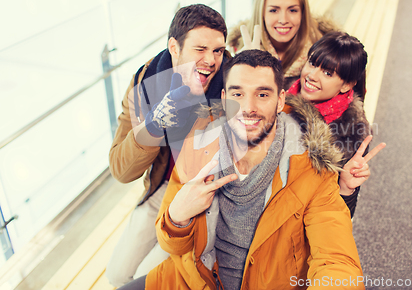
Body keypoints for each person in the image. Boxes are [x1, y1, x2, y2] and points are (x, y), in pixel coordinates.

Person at [118, 50, 365, 290]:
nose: (248, 108)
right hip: (193, 279)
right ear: (224, 99)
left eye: (262, 95)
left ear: (280, 101)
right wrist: (176, 218)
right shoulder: (198, 145)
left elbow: (337, 259)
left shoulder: (312, 167)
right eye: (238, 94)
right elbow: (171, 245)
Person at [106, 4, 229, 287]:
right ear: (174, 47)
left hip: (203, 198)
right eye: (200, 49)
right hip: (163, 186)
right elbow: (120, 170)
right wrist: (152, 126)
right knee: (115, 275)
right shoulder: (145, 82)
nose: (211, 61)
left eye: (218, 50)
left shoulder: (231, 82)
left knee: (147, 280)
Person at [285, 31, 386, 217]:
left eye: (327, 73)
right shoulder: (279, 90)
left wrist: (346, 189)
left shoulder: (354, 133)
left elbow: (339, 217)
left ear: (347, 85)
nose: (312, 75)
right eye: (312, 63)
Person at [228, 0, 339, 89]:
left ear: (303, 13)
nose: (283, 20)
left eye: (292, 10)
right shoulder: (240, 50)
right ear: (261, 13)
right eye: (274, 10)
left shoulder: (329, 53)